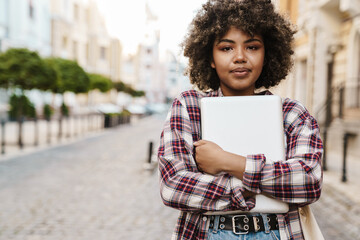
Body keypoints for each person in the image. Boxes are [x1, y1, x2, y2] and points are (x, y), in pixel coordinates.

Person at [157, 0, 323, 239]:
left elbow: (308, 182)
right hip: (209, 233)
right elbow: (173, 186)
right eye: (226, 48)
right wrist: (250, 187)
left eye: (252, 47)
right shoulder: (189, 106)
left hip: (277, 232)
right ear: (210, 58)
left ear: (267, 54)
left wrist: (227, 161)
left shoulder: (292, 113)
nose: (240, 57)